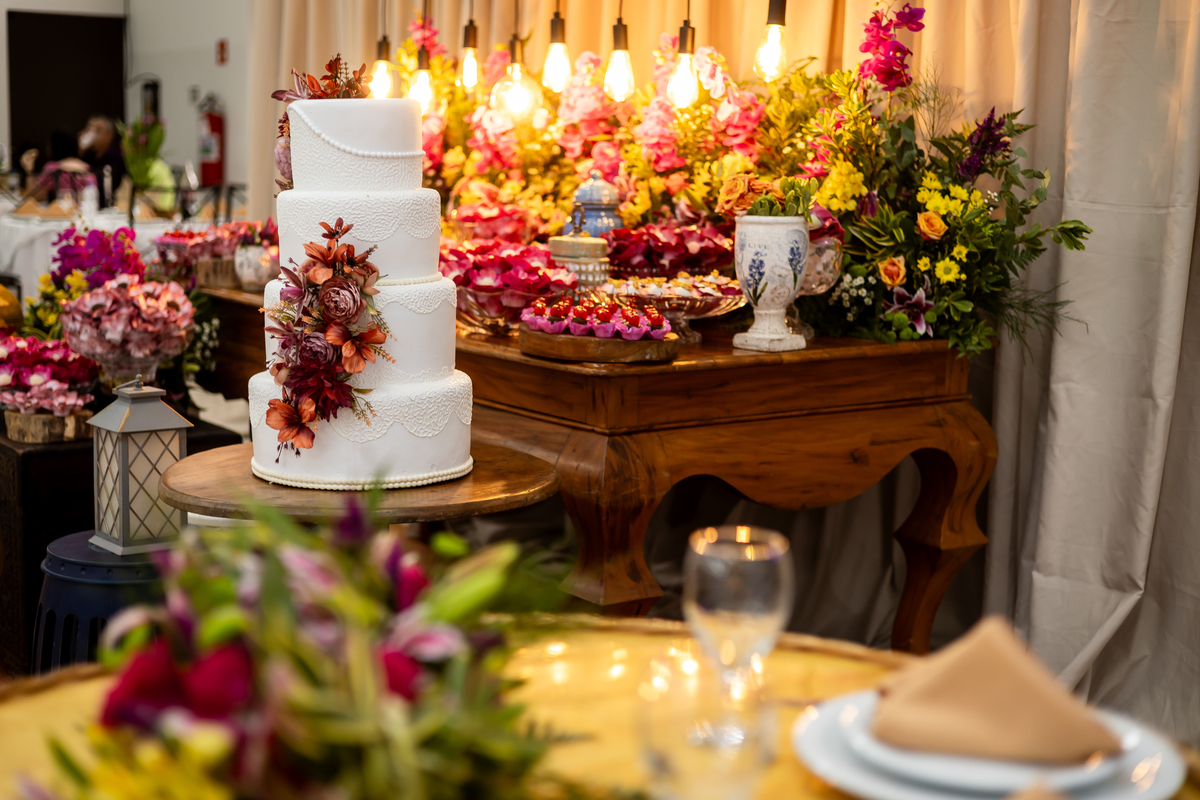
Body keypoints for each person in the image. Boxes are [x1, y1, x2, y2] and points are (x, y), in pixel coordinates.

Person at [20, 129, 95, 204]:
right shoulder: (87, 168)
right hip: (84, 212)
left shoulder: (53, 168)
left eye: (49, 144)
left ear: (55, 146)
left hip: (60, 213)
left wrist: (29, 171)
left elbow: (33, 198)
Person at [77, 115, 126, 207]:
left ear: (109, 135)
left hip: (111, 207)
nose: (93, 133)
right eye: (89, 129)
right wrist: (79, 148)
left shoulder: (117, 157)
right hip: (88, 206)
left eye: (98, 130)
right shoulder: (85, 156)